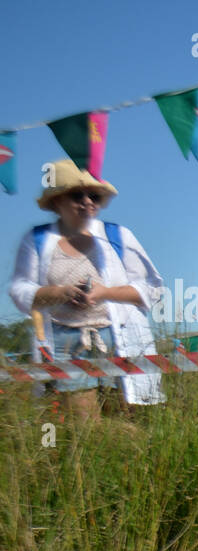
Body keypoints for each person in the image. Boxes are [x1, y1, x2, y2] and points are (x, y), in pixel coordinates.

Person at [8, 160, 164, 414]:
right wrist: (59, 293)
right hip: (64, 339)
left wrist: (105, 293)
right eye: (76, 194)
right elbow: (19, 289)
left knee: (126, 417)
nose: (87, 201)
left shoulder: (118, 235)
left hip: (118, 337)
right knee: (84, 426)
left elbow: (152, 288)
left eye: (94, 195)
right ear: (57, 201)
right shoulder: (37, 240)